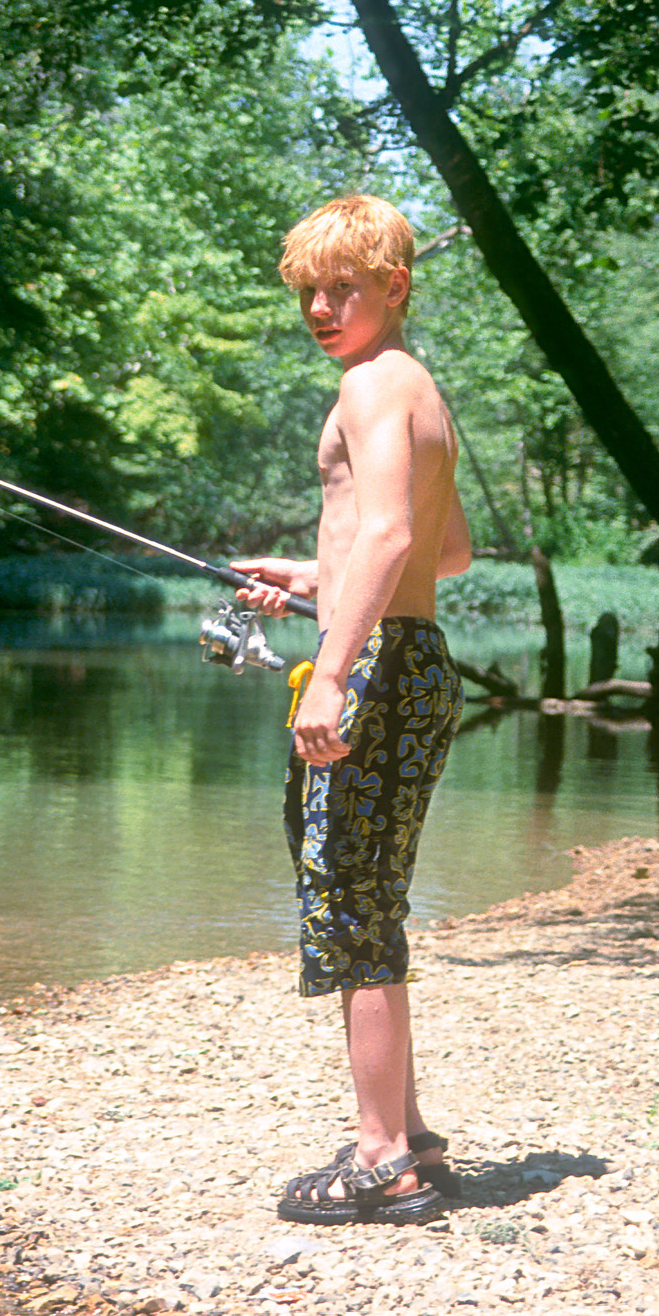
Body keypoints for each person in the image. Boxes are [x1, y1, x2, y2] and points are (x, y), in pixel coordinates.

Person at [231, 193, 473, 1226]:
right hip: (413, 654)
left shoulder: (374, 385)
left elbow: (383, 541)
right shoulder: (414, 390)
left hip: (376, 666)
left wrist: (328, 670)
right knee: (371, 895)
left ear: (394, 286)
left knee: (349, 902)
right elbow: (443, 551)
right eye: (308, 291)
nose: (321, 307)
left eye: (344, 288)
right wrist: (307, 573)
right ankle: (404, 1128)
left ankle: (381, 1161)